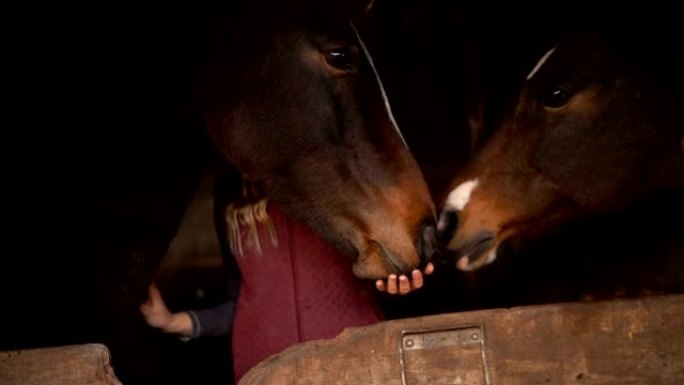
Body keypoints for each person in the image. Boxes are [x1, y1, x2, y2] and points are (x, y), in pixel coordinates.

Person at [140, 198, 433, 382]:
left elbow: (381, 282)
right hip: (262, 374)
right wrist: (173, 321)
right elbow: (244, 303)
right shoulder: (233, 190)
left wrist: (398, 288)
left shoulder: (344, 177)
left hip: (356, 369)